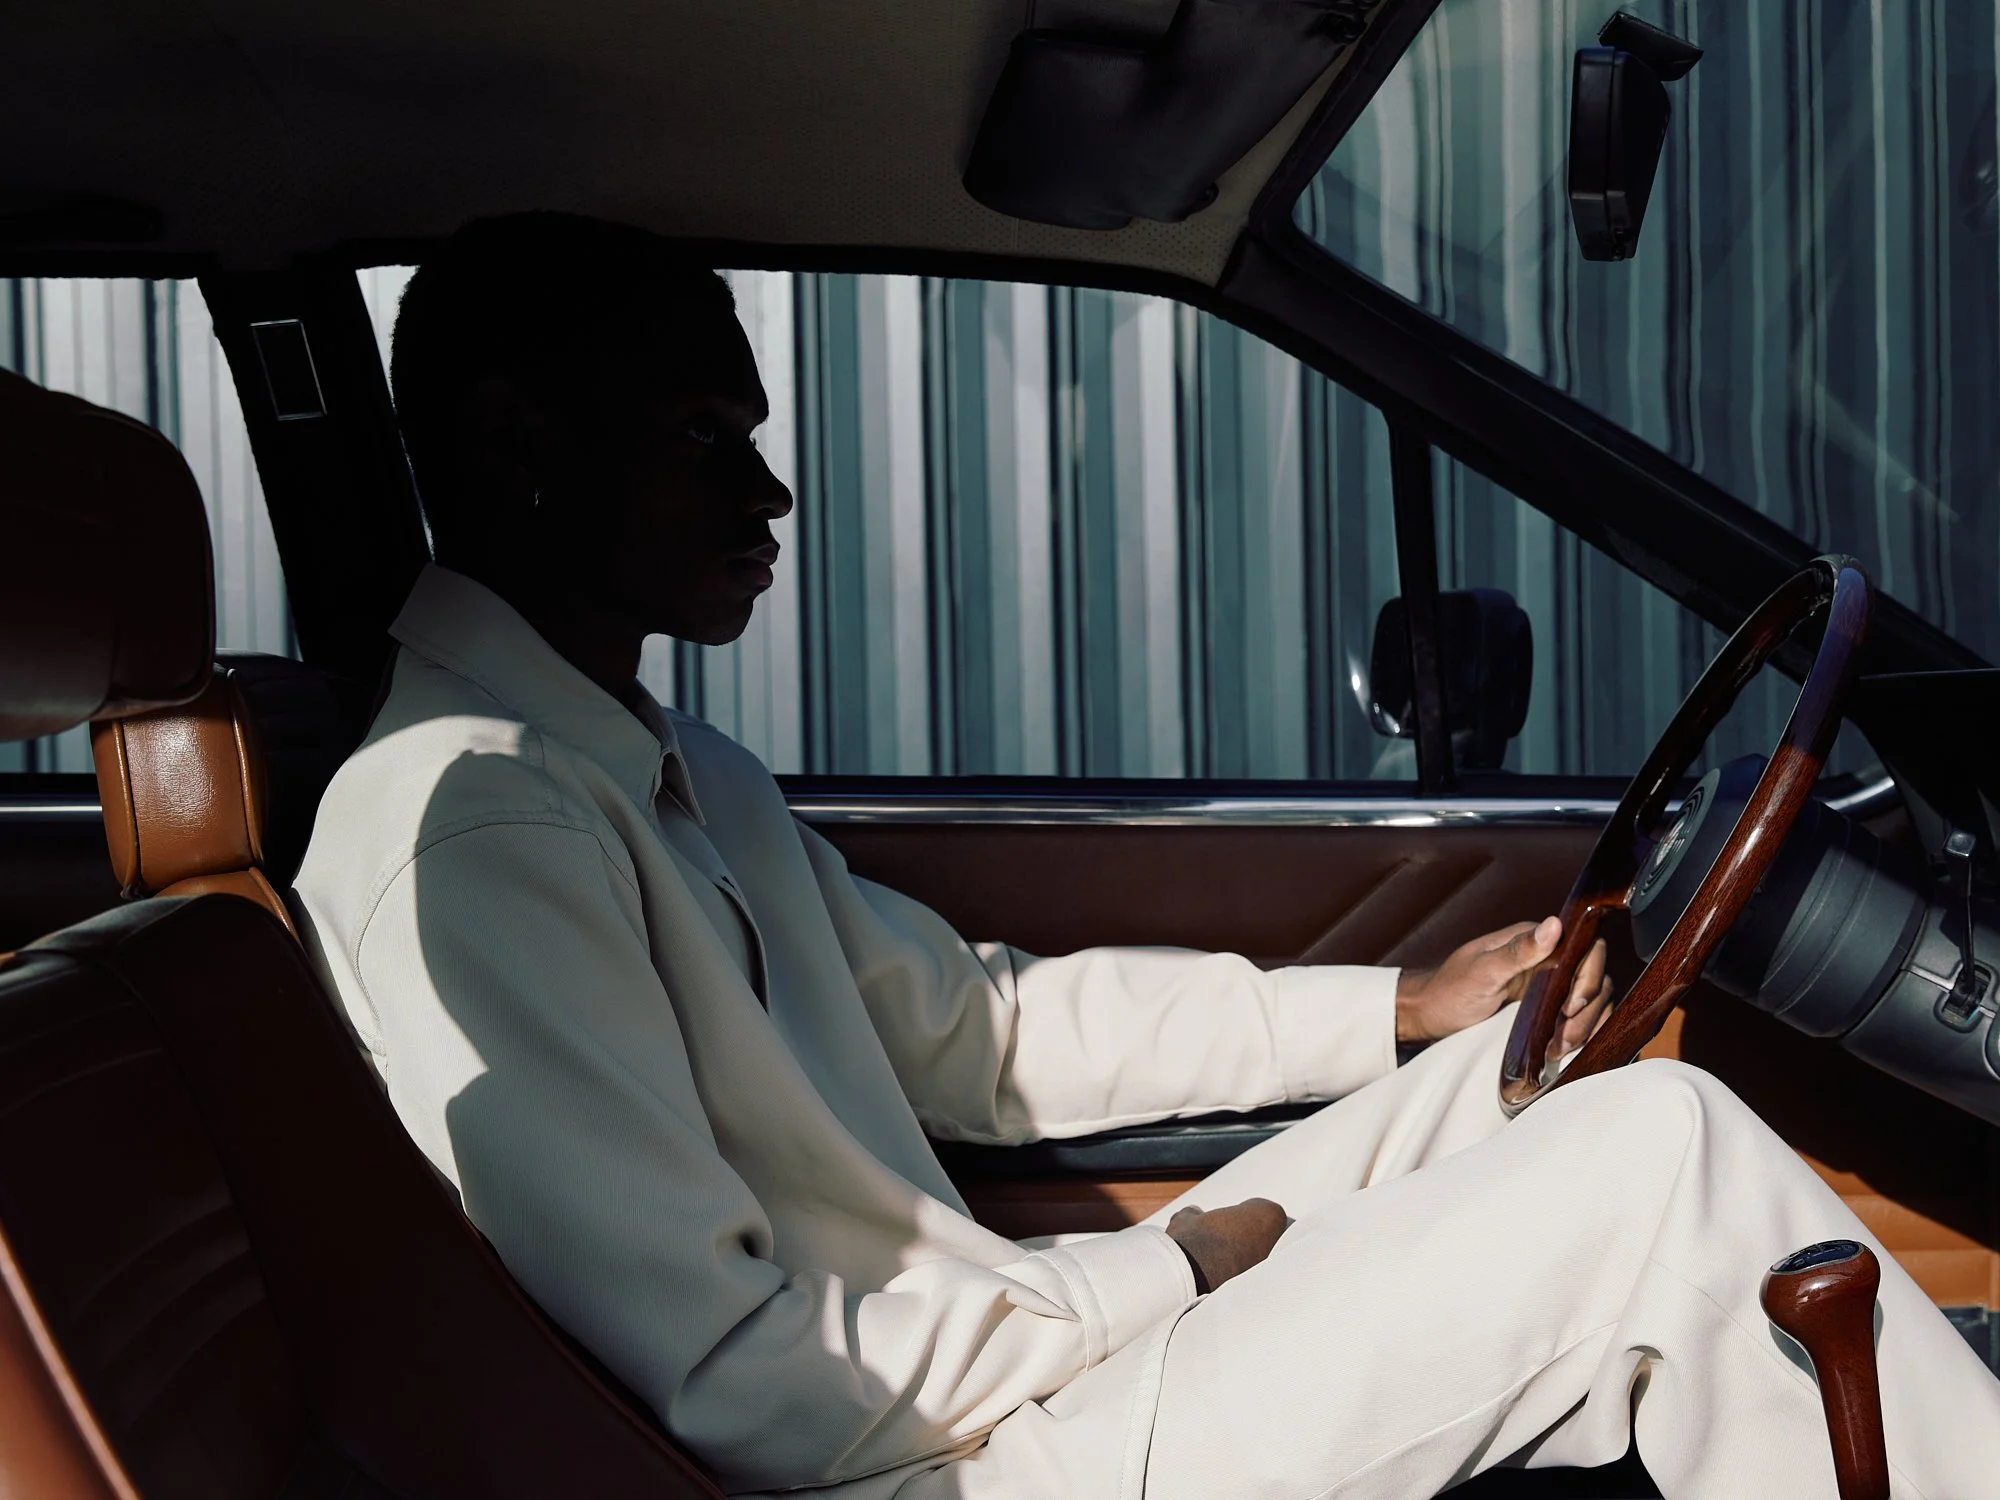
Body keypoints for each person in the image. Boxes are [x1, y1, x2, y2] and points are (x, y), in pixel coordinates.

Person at [294, 213, 2000, 1500]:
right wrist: (1165, 1269)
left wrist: (1399, 1010)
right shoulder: (474, 833)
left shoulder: (657, 766)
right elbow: (744, 1382)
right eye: (701, 440)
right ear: (520, 449)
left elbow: (985, 1033)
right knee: (1658, 1158)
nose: (772, 493)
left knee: (1518, 1077)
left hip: (988, 1369)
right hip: (926, 1470)